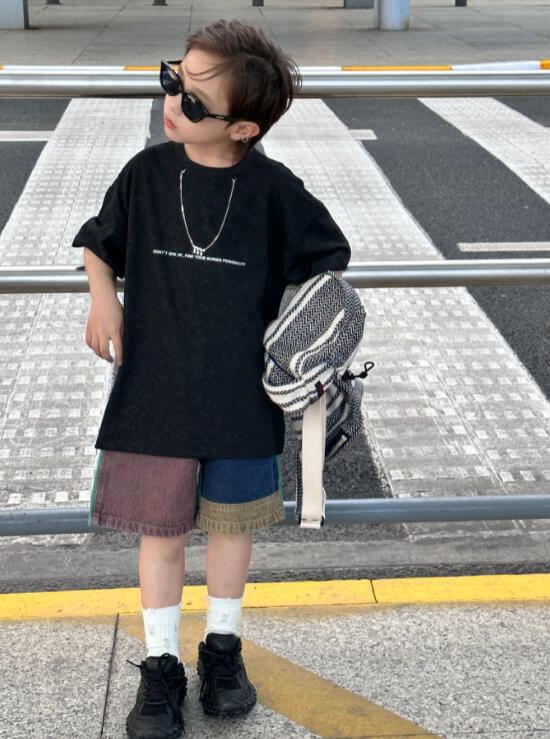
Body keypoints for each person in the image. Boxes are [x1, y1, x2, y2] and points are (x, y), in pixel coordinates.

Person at [71, 18, 351, 739]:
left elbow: (327, 260)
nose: (172, 103)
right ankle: (161, 664)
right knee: (160, 533)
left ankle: (222, 649)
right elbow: (98, 243)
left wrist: (304, 336)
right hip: (155, 392)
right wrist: (104, 295)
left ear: (244, 128)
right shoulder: (146, 174)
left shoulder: (273, 190)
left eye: (193, 101)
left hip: (242, 395)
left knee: (232, 530)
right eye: (172, 80)